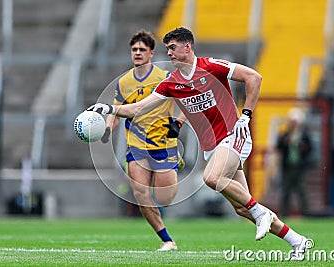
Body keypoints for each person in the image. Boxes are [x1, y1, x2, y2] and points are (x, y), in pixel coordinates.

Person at [91, 27, 310, 259]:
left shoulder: (211, 66)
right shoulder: (171, 82)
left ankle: (260, 212)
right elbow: (137, 108)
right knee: (241, 208)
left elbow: (254, 77)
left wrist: (246, 115)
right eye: (167, 49)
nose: (170, 54)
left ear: (188, 46)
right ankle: (297, 241)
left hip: (233, 135)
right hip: (212, 147)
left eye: (173, 48)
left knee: (212, 178)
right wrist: (109, 108)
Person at [100, 29, 185, 252]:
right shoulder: (124, 82)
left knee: (164, 198)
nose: (137, 53)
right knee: (141, 195)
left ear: (151, 53)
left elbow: (187, 103)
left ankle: (177, 162)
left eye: (142, 49)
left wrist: (179, 122)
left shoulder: (165, 77)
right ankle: (167, 240)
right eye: (134, 49)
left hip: (163, 144)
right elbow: (117, 111)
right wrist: (108, 128)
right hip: (136, 145)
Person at [277, 108, 312, 217]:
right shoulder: (286, 134)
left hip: (299, 166)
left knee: (302, 190)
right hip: (288, 166)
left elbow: (310, 149)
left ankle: (306, 213)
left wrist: (303, 148)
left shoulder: (304, 135)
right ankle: (284, 213)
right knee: (286, 190)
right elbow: (279, 146)